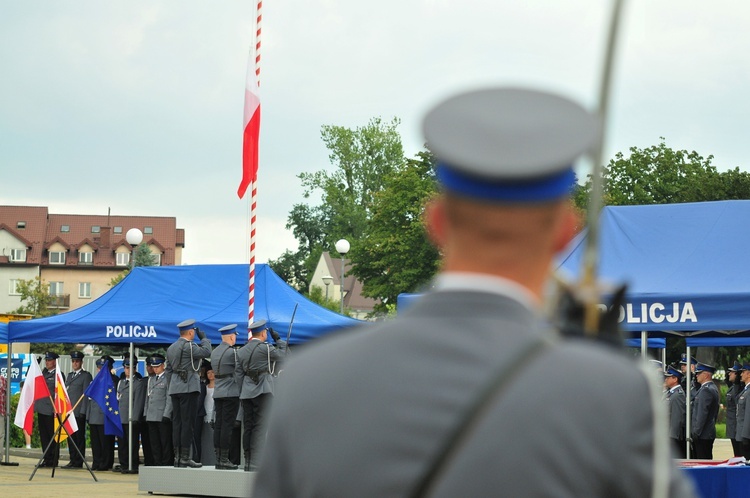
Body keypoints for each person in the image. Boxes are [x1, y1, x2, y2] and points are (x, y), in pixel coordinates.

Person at [253, 87, 696, 496]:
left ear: (436, 221)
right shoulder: (614, 394)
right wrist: (601, 367)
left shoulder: (313, 380)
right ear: (565, 231)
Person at [236, 319, 287, 471]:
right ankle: (256, 460)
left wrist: (243, 389)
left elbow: (238, 374)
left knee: (249, 426)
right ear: (264, 333)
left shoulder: (241, 350)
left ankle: (248, 459)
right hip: (263, 390)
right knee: (260, 425)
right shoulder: (266, 348)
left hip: (246, 392)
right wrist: (279, 340)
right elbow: (284, 355)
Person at [165, 318, 211, 468]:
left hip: (175, 388)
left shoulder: (171, 347)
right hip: (189, 388)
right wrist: (204, 339)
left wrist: (174, 384)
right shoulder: (189, 347)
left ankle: (178, 457)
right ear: (191, 332)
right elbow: (207, 351)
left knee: (177, 423)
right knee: (187, 423)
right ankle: (185, 457)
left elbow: (168, 371)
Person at [210, 323, 241, 470]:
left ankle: (218, 457)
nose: (235, 338)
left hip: (218, 391)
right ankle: (224, 459)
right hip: (231, 392)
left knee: (219, 426)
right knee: (227, 426)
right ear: (230, 336)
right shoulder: (232, 352)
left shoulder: (215, 352)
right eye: (234, 335)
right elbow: (239, 370)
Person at [62, 350, 92, 469]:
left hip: (78, 411)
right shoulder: (70, 376)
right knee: (71, 438)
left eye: (77, 361)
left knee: (79, 438)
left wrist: (83, 411)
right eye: (73, 361)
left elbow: (85, 395)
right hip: (69, 412)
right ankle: (72, 459)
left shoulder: (85, 376)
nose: (75, 363)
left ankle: (78, 461)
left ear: (81, 362)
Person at [87, 355, 117, 471]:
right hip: (94, 416)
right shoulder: (94, 382)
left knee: (105, 443)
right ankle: (96, 462)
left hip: (104, 416)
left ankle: (105, 464)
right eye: (99, 368)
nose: (100, 370)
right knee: (95, 443)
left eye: (102, 368)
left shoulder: (111, 383)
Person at [116, 354, 145, 474]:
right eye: (126, 367)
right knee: (122, 443)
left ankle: (132, 464)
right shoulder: (121, 382)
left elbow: (138, 402)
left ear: (135, 368)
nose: (128, 370)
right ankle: (123, 464)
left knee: (132, 444)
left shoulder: (138, 383)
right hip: (121, 417)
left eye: (131, 368)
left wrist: (135, 418)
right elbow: (118, 399)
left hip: (131, 418)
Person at [143, 353, 173, 466]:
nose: (155, 369)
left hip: (162, 416)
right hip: (151, 415)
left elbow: (169, 397)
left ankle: (166, 463)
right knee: (154, 443)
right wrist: (146, 413)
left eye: (157, 366)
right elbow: (147, 398)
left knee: (164, 442)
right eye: (153, 366)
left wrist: (167, 414)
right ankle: (157, 462)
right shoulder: (151, 380)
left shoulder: (167, 378)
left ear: (163, 365)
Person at [34, 352, 62, 468]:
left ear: (55, 361)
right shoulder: (44, 373)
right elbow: (30, 377)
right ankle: (46, 458)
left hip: (51, 410)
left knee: (53, 436)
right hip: (41, 409)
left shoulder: (58, 375)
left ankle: (53, 459)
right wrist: (36, 364)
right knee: (44, 437)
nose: (47, 362)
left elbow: (60, 394)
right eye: (46, 360)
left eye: (49, 360)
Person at [691, 362, 719, 459]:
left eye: (699, 373)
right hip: (706, 433)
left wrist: (696, 432)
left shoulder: (706, 390)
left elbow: (702, 414)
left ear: (706, 375)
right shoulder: (709, 388)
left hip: (703, 434)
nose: (696, 375)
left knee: (702, 461)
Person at [663, 364, 687, 458]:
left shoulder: (677, 395)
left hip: (672, 436)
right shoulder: (671, 393)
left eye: (668, 377)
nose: (665, 380)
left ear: (675, 379)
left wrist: (672, 437)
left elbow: (676, 418)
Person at [725, 361, 743, 457]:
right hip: (732, 426)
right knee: (736, 454)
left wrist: (737, 384)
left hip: (736, 427)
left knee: (739, 454)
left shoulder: (738, 388)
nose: (729, 374)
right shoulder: (732, 388)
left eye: (732, 372)